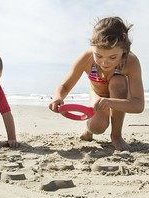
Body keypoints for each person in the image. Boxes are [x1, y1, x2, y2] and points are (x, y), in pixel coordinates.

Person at [49, 16, 144, 151]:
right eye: (98, 56)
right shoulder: (86, 58)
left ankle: (116, 136)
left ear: (124, 50)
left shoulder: (131, 62)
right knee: (97, 126)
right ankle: (88, 131)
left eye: (112, 57)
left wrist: (111, 102)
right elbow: (65, 86)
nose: (105, 62)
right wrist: (58, 97)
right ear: (92, 47)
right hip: (98, 93)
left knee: (118, 82)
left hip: (119, 94)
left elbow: (138, 105)